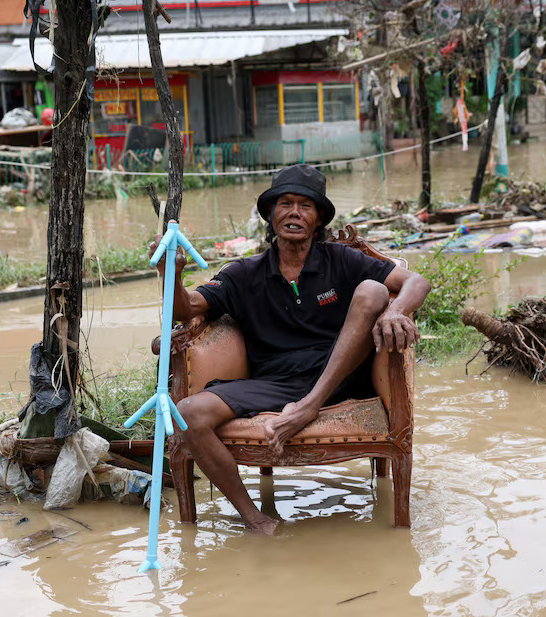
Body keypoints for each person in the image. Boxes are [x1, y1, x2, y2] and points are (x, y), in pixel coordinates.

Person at [153, 164, 430, 534]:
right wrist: (169, 273)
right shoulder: (244, 274)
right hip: (276, 381)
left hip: (340, 377)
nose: (294, 212)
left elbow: (416, 281)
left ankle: (309, 407)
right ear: (271, 215)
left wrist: (396, 310)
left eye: (305, 205)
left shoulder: (341, 260)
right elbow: (187, 309)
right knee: (185, 413)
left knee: (374, 290)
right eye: (284, 203)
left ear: (318, 220)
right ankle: (255, 519)